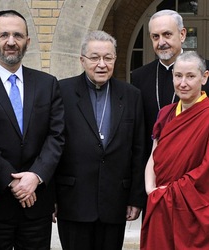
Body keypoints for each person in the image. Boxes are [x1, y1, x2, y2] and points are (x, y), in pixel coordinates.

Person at [0, 10, 64, 250]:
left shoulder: (47, 84)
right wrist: (13, 181)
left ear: (27, 41)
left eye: (18, 35)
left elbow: (56, 136)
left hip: (37, 200)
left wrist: (35, 176)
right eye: (4, 34)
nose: (11, 41)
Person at [54, 30, 145, 250]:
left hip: (115, 201)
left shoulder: (131, 95)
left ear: (115, 59)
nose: (102, 64)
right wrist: (51, 198)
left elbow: (139, 148)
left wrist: (136, 197)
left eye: (108, 58)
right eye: (95, 58)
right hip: (72, 199)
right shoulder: (61, 91)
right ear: (82, 60)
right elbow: (53, 144)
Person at [140, 51, 209, 249]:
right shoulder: (166, 113)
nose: (183, 83)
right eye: (178, 76)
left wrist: (171, 191)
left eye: (190, 76)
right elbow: (153, 156)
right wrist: (151, 190)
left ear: (204, 77)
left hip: (192, 208)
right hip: (161, 202)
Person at [131, 9, 209, 164]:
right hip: (152, 167)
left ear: (182, 34)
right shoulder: (139, 77)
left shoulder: (207, 72)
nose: (161, 42)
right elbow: (137, 134)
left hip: (195, 167)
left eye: (167, 34)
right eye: (155, 37)